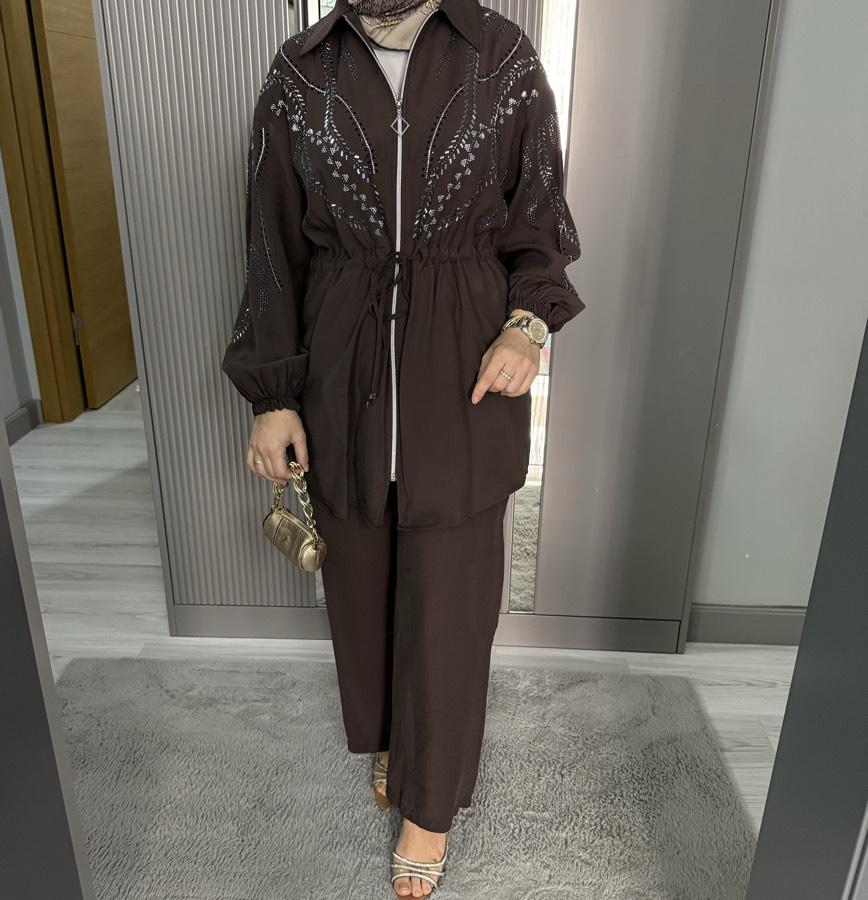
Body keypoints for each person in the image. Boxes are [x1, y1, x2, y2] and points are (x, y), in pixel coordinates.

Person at [221, 0, 584, 894]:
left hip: (460, 358)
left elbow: (540, 220)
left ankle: (429, 806)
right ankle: (393, 735)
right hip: (340, 361)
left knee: (452, 597)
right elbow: (269, 248)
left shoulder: (499, 56)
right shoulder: (301, 71)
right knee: (360, 585)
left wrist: (528, 324)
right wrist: (272, 396)